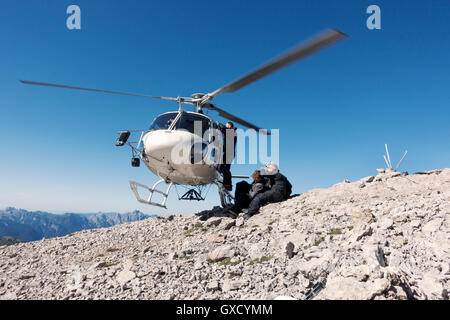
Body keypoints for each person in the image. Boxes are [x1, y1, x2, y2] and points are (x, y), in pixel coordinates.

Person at [219, 121, 237, 191]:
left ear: (229, 126)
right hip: (228, 152)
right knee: (224, 168)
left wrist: (218, 124)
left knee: (223, 168)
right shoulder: (229, 133)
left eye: (226, 126)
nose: (225, 126)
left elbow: (224, 129)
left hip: (230, 153)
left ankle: (227, 184)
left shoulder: (232, 131)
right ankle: (227, 183)